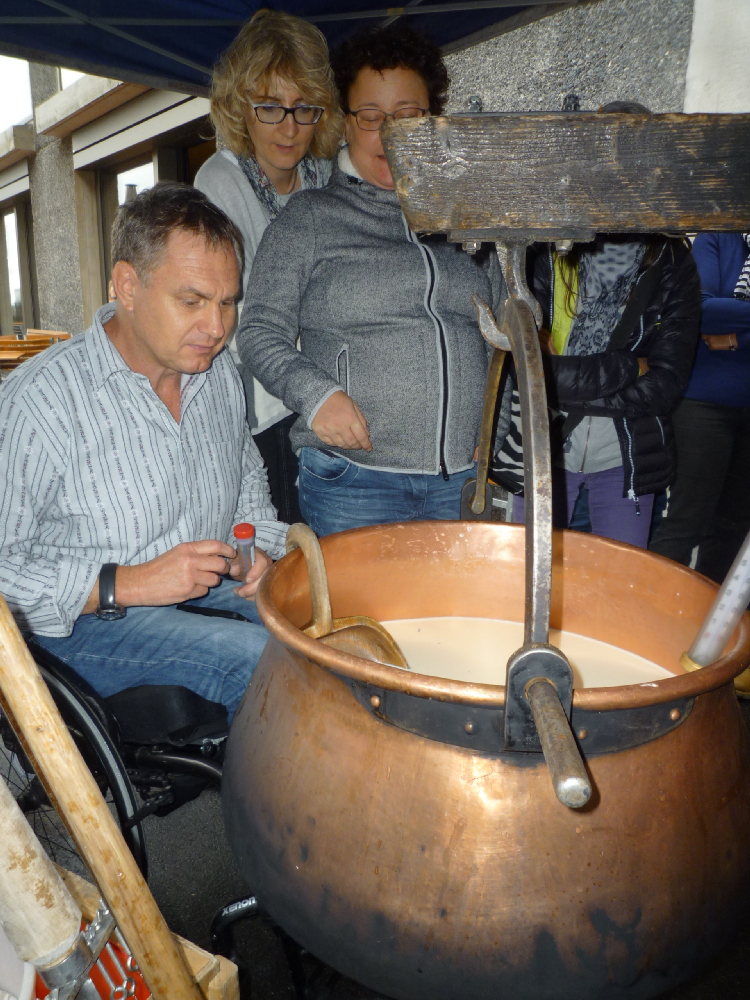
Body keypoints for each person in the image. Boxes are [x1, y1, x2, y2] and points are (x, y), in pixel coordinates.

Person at [0, 183, 288, 722]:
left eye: (227, 303)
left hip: (205, 595)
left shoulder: (218, 375)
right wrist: (126, 583)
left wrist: (252, 553)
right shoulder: (40, 401)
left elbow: (247, 479)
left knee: (321, 634)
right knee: (266, 663)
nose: (217, 329)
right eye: (192, 301)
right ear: (128, 286)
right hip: (78, 626)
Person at [236, 21, 503, 537]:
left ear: (432, 121)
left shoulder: (468, 221)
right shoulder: (308, 218)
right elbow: (259, 332)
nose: (389, 134)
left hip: (461, 481)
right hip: (354, 483)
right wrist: (316, 396)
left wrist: (497, 426)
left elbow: (507, 334)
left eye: (407, 115)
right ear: (346, 124)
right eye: (371, 117)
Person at [493, 103, 701, 548]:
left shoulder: (671, 262)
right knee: (525, 575)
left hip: (627, 460)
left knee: (620, 582)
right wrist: (627, 367)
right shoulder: (546, 250)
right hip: (546, 448)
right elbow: (524, 370)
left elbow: (665, 385)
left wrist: (563, 381)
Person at [195, 8, 343, 523]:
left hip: (329, 393)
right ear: (241, 107)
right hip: (263, 410)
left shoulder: (326, 174)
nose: (289, 127)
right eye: (270, 107)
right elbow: (234, 318)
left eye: (304, 108)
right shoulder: (220, 182)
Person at [650, 232, 750, 581]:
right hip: (703, 404)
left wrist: (736, 338)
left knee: (735, 528)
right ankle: (646, 609)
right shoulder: (720, 235)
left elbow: (719, 313)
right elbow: (701, 311)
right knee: (686, 521)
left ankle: (711, 613)